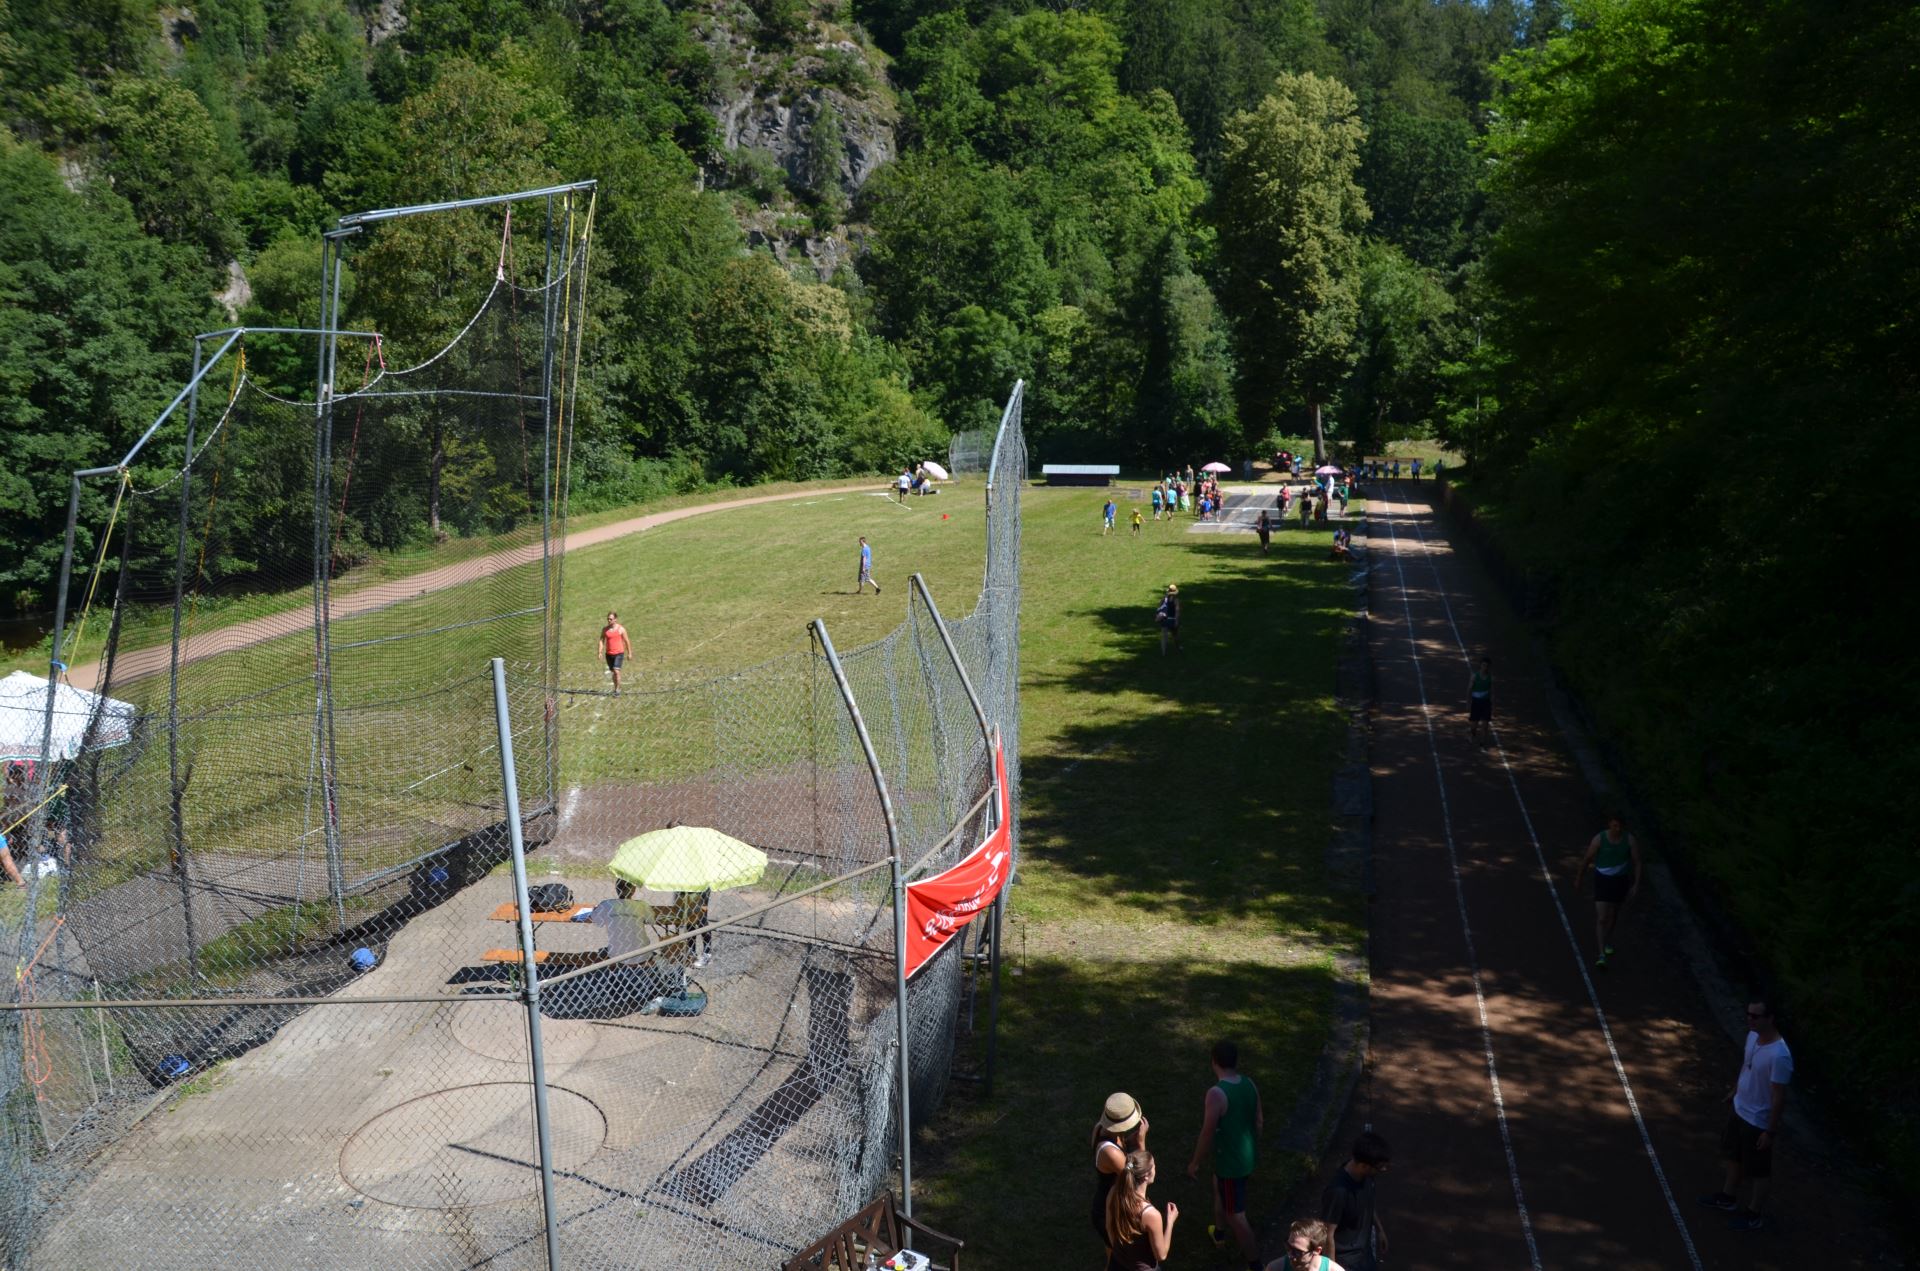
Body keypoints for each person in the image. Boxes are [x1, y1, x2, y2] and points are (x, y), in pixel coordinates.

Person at [1700, 999, 1792, 1231]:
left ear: (1770, 1018)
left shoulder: (1780, 1056)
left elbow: (1779, 1097)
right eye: (1748, 1014)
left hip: (1758, 1120)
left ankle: (1754, 1213)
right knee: (1734, 1156)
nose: (1749, 1019)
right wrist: (1735, 1090)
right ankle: (1728, 1197)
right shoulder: (1752, 1036)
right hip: (1740, 1108)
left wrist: (1770, 1131)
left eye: (1755, 1016)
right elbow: (1747, 1066)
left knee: (1759, 1170)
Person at [1188, 1040, 1262, 1271]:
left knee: (1235, 1215)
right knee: (1217, 1185)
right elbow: (1259, 1121)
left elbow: (1207, 1133)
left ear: (1213, 1062)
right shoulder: (1249, 1084)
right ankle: (1219, 1234)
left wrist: (1195, 1163)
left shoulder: (1217, 1094)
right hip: (1246, 1158)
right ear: (1236, 1061)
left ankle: (1255, 1264)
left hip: (1230, 1165)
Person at [1574, 813, 1642, 968]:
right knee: (1602, 917)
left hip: (1620, 882)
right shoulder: (1599, 839)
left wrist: (1636, 884)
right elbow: (1587, 860)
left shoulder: (1630, 840)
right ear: (1609, 825)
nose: (1616, 829)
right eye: (1613, 826)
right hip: (1602, 881)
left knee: (1614, 914)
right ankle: (1601, 954)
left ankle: (1607, 940)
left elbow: (1637, 862)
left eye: (1619, 826)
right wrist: (1579, 878)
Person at [1321, 1131, 1390, 1271]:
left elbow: (1368, 1202)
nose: (1383, 1170)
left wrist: (1380, 1229)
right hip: (1346, 1262)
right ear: (1364, 1166)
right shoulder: (1338, 1192)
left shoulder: (1366, 1177)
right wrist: (1332, 1268)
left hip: (1364, 1253)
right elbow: (1327, 1234)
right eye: (1379, 1167)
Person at [1105, 1149, 1177, 1270]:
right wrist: (1170, 1221)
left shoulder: (1114, 1193)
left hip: (1117, 1264)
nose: (1155, 1168)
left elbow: (1108, 1227)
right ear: (1146, 1176)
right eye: (1154, 1166)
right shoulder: (1150, 1215)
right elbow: (1161, 1255)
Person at [1092, 1093, 1150, 1239]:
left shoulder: (1100, 1128)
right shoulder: (1111, 1152)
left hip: (1108, 1205)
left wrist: (1130, 1141)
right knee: (1120, 1258)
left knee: (1113, 1257)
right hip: (1110, 1212)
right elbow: (1138, 1178)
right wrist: (1141, 1142)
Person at [1267, 1219, 1345, 1271]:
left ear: (1317, 1251)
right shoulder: (1275, 1268)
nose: (1290, 1255)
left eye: (1298, 1252)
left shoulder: (1334, 1269)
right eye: (1288, 1247)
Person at [598, 611, 630, 695]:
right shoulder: (605, 630)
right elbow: (601, 640)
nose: (609, 620)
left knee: (616, 671)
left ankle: (617, 690)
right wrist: (600, 652)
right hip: (609, 654)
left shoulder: (621, 629)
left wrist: (629, 653)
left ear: (615, 619)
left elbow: (627, 641)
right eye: (608, 619)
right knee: (613, 672)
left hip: (619, 653)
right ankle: (616, 687)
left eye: (611, 619)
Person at [1467, 655, 1493, 745]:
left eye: (1486, 666)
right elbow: (1469, 689)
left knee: (1485, 724)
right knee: (1474, 724)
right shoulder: (1475, 676)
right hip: (1476, 702)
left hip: (1486, 703)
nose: (1485, 667)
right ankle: (1472, 733)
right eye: (1483, 665)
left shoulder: (1490, 678)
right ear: (1480, 665)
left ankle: (1483, 741)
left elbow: (1491, 691)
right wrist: (1468, 701)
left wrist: (1492, 703)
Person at [1156, 584, 1181, 656]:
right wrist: (1176, 621)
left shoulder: (1164, 599)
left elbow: (1159, 607)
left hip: (1164, 619)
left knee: (1164, 636)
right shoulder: (1176, 600)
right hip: (1172, 620)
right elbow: (1177, 611)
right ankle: (1178, 648)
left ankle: (1163, 653)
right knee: (1175, 635)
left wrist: (1159, 615)